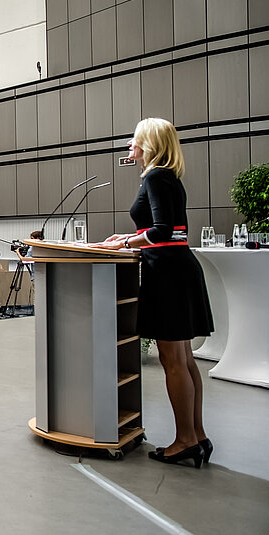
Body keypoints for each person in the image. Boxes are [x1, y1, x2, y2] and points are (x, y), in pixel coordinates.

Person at [92, 118, 213, 467]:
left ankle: (185, 440)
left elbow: (161, 230)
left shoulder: (156, 176)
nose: (130, 145)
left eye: (134, 139)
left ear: (148, 143)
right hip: (177, 268)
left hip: (169, 274)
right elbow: (168, 230)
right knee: (185, 360)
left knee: (173, 361)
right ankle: (198, 435)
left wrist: (126, 242)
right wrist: (125, 238)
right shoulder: (170, 177)